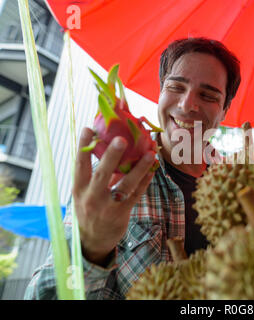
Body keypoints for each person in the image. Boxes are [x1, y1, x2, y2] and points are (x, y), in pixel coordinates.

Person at [24, 37, 241, 300]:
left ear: (225, 110)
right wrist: (91, 249)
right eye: (175, 87)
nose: (187, 105)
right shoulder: (109, 178)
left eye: (207, 95)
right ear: (160, 93)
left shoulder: (241, 185)